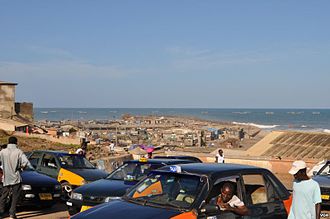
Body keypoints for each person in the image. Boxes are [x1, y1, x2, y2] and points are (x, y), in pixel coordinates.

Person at [0, 136, 30, 219]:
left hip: (6, 178)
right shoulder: (19, 152)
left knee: (4, 195)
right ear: (16, 143)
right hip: (16, 178)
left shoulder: (2, 152)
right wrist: (21, 167)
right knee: (15, 196)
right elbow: (26, 163)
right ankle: (12, 214)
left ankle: (1, 212)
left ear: (8, 142)